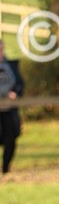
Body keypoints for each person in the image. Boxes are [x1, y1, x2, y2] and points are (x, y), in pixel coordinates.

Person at [0, 37, 24, 175]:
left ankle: (5, 169)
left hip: (9, 110)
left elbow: (20, 84)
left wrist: (16, 92)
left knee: (10, 140)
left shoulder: (11, 65)